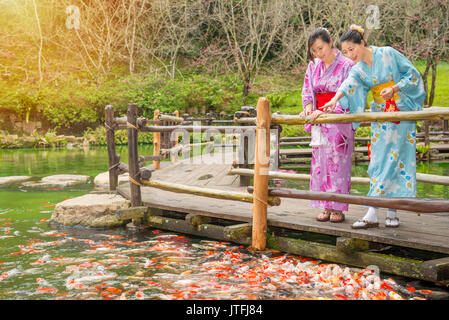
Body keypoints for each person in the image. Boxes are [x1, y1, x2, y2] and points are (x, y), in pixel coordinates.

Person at [322, 25, 426, 229]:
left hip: (401, 112)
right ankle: (374, 211)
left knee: (397, 160)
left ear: (362, 43)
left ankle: (389, 211)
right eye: (345, 52)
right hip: (380, 115)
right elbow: (348, 84)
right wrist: (335, 100)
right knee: (378, 161)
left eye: (352, 49)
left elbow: (412, 74)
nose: (350, 55)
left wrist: (395, 87)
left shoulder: (387, 53)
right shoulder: (359, 68)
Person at [300, 27, 355, 223]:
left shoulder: (347, 65)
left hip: (338, 120)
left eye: (320, 48)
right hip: (319, 120)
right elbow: (308, 91)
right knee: (320, 164)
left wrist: (326, 110)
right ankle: (325, 205)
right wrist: (308, 108)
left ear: (330, 43)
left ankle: (338, 207)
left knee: (338, 164)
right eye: (314, 50)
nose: (317, 54)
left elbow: (349, 94)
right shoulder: (313, 66)